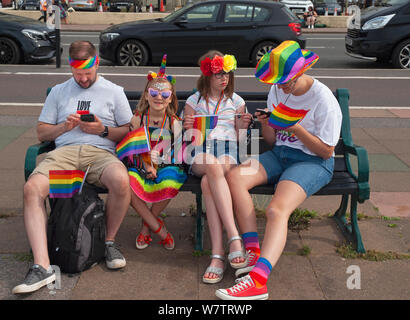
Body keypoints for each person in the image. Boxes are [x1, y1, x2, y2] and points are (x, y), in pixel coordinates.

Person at [215, 41, 342, 300]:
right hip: (280, 154)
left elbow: (327, 152)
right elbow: (273, 141)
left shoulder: (323, 99)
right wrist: (268, 124)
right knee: (235, 178)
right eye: (278, 81)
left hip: (312, 162)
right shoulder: (277, 90)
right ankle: (253, 250)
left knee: (276, 209)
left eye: (287, 81)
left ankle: (259, 281)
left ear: (301, 72)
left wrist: (296, 128)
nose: (282, 86)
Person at [12, 41, 133, 295]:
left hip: (100, 153)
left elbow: (128, 131)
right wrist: (63, 128)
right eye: (78, 74)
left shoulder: (113, 91)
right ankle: (42, 265)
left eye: (88, 73)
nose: (84, 79)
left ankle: (108, 242)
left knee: (122, 181)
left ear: (96, 63)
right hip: (64, 152)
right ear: (71, 69)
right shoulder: (59, 92)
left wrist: (102, 129)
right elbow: (42, 131)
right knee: (32, 188)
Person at [183, 51, 252, 284]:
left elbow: (241, 142)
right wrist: (187, 126)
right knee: (210, 168)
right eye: (218, 74)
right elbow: (188, 138)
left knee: (207, 183)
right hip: (200, 149)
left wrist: (243, 126)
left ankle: (217, 256)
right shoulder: (194, 101)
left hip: (228, 149)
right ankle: (234, 236)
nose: (224, 78)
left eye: (227, 74)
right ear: (207, 76)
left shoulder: (237, 102)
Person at [127, 55, 186, 251]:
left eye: (164, 94)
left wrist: (159, 160)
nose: (158, 97)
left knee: (170, 181)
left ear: (171, 99)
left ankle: (146, 228)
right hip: (140, 164)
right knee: (127, 184)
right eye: (153, 92)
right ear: (146, 95)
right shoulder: (138, 120)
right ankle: (159, 229)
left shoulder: (173, 122)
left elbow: (178, 153)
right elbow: (133, 149)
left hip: (167, 165)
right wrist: (147, 163)